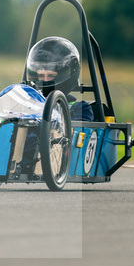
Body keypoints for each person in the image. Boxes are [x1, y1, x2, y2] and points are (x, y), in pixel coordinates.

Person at [20, 37, 93, 171]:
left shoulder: (80, 108)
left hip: (55, 155)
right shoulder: (28, 103)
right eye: (41, 76)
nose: (45, 81)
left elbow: (71, 135)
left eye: (51, 76)